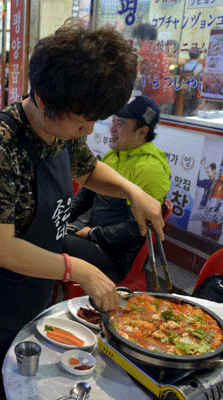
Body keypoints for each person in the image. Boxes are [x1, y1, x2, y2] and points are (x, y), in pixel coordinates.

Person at [0, 20, 165, 399]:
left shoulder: (60, 131)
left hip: (32, 295)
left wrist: (133, 191)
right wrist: (76, 267)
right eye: (82, 123)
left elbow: (88, 168)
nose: (88, 132)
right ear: (44, 100)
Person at [62, 96, 171, 284]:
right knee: (46, 232)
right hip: (95, 240)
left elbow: (135, 230)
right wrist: (60, 218)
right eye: (112, 121)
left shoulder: (150, 168)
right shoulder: (115, 154)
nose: (111, 129)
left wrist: (91, 233)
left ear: (142, 132)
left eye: (120, 123)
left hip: (116, 258)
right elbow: (87, 195)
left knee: (50, 242)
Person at [132, 23, 173, 113]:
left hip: (156, 92)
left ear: (145, 37)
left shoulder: (146, 48)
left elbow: (134, 63)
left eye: (138, 39)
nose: (138, 42)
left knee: (149, 121)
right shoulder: (158, 46)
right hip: (166, 90)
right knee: (160, 122)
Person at [180, 47, 204, 116]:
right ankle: (193, 111)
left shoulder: (183, 67)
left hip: (183, 91)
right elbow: (201, 78)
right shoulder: (199, 67)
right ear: (199, 56)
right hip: (194, 94)